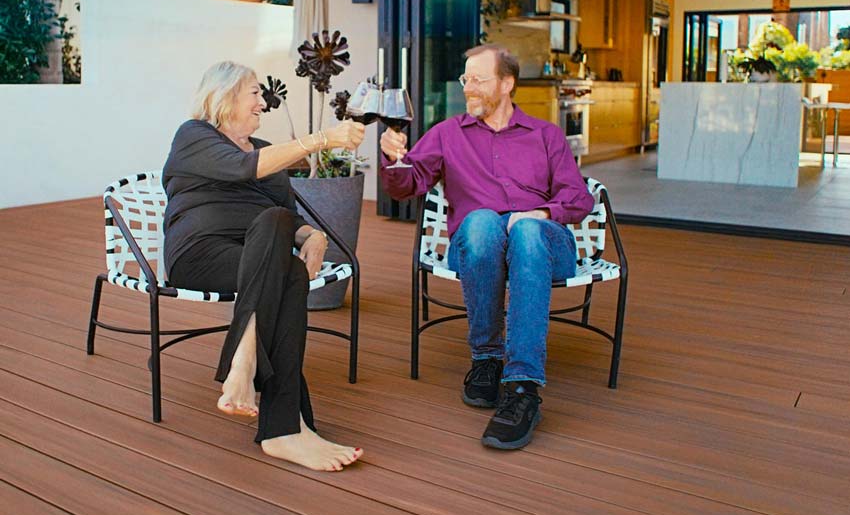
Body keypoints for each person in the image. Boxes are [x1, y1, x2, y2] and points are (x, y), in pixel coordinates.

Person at [380, 45, 593, 450]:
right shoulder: (446, 133)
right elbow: (407, 185)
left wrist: (539, 214)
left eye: (478, 79)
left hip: (546, 245)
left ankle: (521, 387)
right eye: (466, 79)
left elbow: (579, 199)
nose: (468, 88)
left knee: (527, 232)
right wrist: (394, 159)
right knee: (479, 222)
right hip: (477, 245)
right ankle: (487, 359)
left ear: (507, 83)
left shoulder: (545, 135)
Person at [162, 60, 366, 472]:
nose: (262, 102)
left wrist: (313, 236)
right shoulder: (194, 135)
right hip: (201, 254)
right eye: (254, 92)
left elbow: (286, 216)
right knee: (281, 263)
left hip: (259, 256)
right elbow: (242, 168)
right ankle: (286, 424)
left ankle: (252, 375)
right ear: (224, 95)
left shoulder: (265, 150)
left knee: (279, 237)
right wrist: (322, 139)